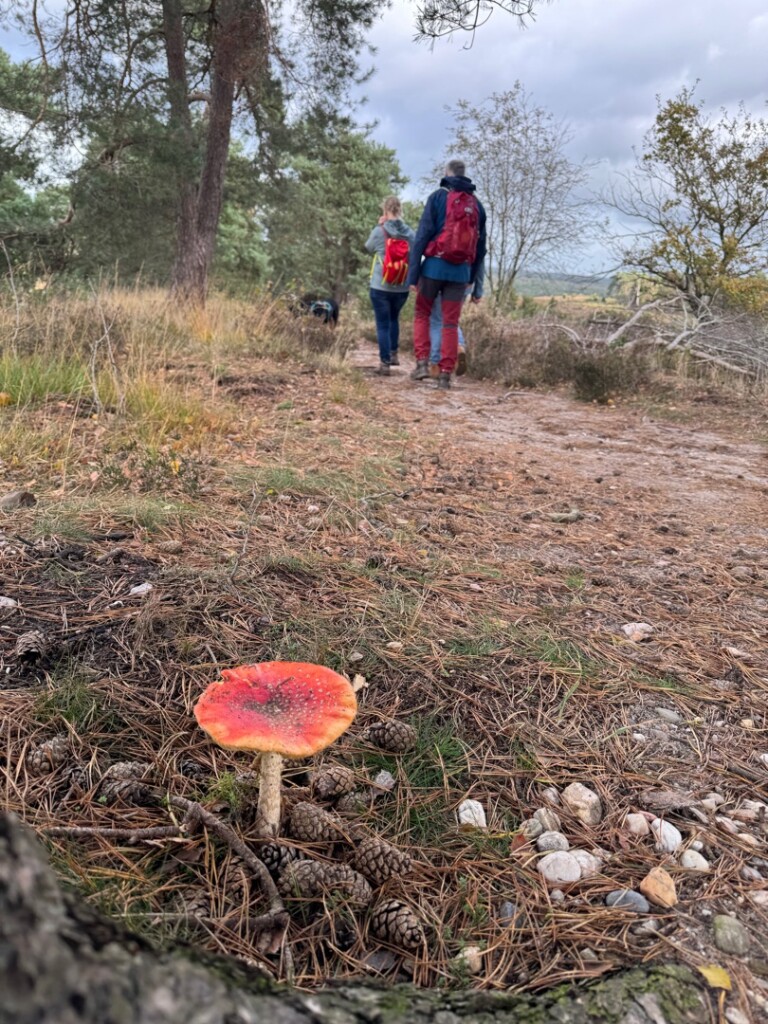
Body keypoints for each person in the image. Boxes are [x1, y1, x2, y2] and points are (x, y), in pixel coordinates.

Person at [408, 160, 486, 389]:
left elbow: (422, 236)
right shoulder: (477, 205)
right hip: (460, 273)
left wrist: (413, 275)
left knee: (423, 314)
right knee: (450, 323)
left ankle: (422, 364)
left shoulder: (437, 198)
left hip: (433, 268)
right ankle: (444, 375)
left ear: (446, 174)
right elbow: (481, 248)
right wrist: (471, 278)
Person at [365, 196, 416, 376]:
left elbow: (369, 247)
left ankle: (385, 363)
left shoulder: (380, 231)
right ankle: (394, 354)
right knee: (394, 318)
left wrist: (379, 225)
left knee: (383, 324)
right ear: (400, 210)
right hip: (402, 286)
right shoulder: (410, 233)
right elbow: (416, 252)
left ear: (385, 210)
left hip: (381, 285)